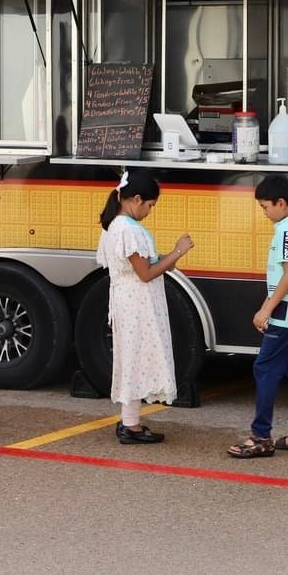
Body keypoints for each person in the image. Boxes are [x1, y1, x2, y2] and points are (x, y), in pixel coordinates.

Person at [95, 170, 193, 444]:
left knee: (134, 358)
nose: (150, 211)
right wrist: (178, 251)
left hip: (131, 300)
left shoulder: (116, 225)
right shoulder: (128, 230)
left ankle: (131, 421)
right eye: (150, 205)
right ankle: (130, 425)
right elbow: (146, 273)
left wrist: (167, 259)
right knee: (136, 358)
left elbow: (147, 265)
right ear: (137, 199)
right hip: (136, 303)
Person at [228, 175, 288, 458]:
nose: (264, 213)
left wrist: (266, 308)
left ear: (281, 203)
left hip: (286, 314)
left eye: (265, 207)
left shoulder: (287, 232)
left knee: (265, 369)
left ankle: (261, 436)